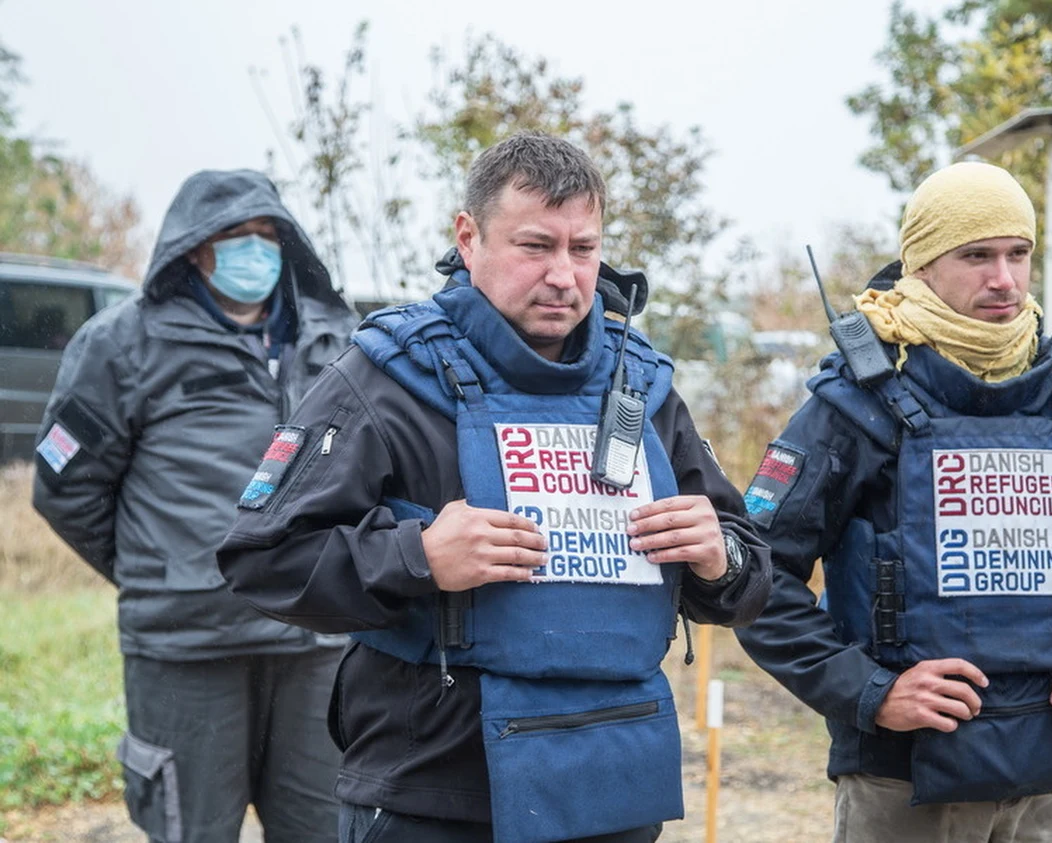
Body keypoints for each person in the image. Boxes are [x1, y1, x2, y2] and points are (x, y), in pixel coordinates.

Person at [215, 133, 771, 843]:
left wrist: (720, 557)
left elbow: (751, 575)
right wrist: (417, 556)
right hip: (435, 797)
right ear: (468, 237)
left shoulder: (643, 387)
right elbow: (262, 559)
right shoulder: (386, 378)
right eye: (535, 246)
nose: (564, 276)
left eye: (584, 248)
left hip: (616, 785)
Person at [736, 161, 1052, 843]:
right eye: (976, 256)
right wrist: (872, 692)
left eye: (1018, 254)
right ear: (923, 265)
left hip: (1051, 777)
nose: (1004, 279)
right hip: (899, 782)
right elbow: (753, 577)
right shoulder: (854, 404)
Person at [32, 169, 360, 843]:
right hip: (187, 649)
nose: (254, 249)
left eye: (267, 233)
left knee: (328, 830)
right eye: (234, 234)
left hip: (316, 641)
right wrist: (163, 567)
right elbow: (65, 486)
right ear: (194, 247)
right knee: (192, 830)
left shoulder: (337, 336)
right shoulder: (121, 343)